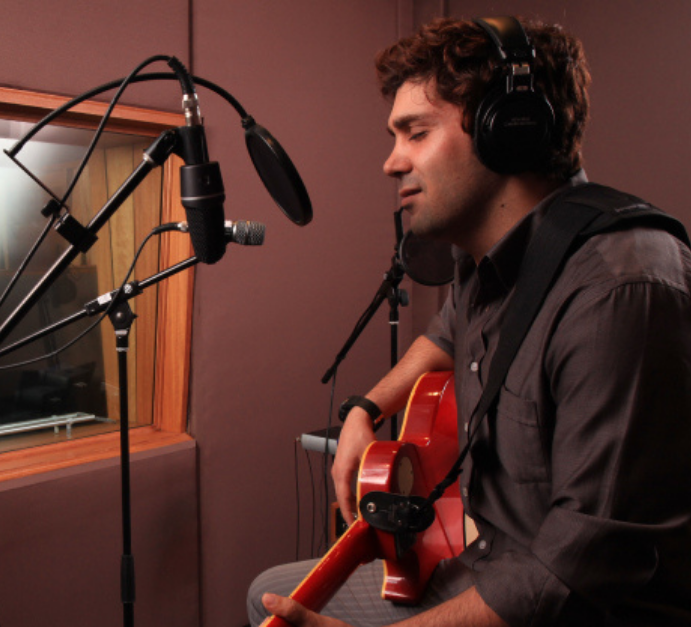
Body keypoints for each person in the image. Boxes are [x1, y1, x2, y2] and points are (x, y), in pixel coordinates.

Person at [249, 16, 691, 627]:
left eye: (415, 132)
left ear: (509, 132)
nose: (391, 162)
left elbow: (583, 566)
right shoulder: (492, 265)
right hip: (489, 561)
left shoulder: (620, 287)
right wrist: (363, 410)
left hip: (573, 608)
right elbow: (446, 335)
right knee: (267, 591)